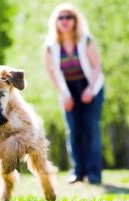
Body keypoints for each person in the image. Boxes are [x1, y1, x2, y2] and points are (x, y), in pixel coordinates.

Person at [44, 3, 104, 184]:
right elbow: (51, 72)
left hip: (91, 86)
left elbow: (96, 67)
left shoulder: (86, 39)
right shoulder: (51, 45)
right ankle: (78, 171)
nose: (64, 20)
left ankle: (94, 174)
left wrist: (90, 89)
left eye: (68, 17)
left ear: (75, 21)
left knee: (91, 128)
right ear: (56, 22)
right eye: (60, 17)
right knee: (74, 130)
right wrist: (64, 95)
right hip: (67, 89)